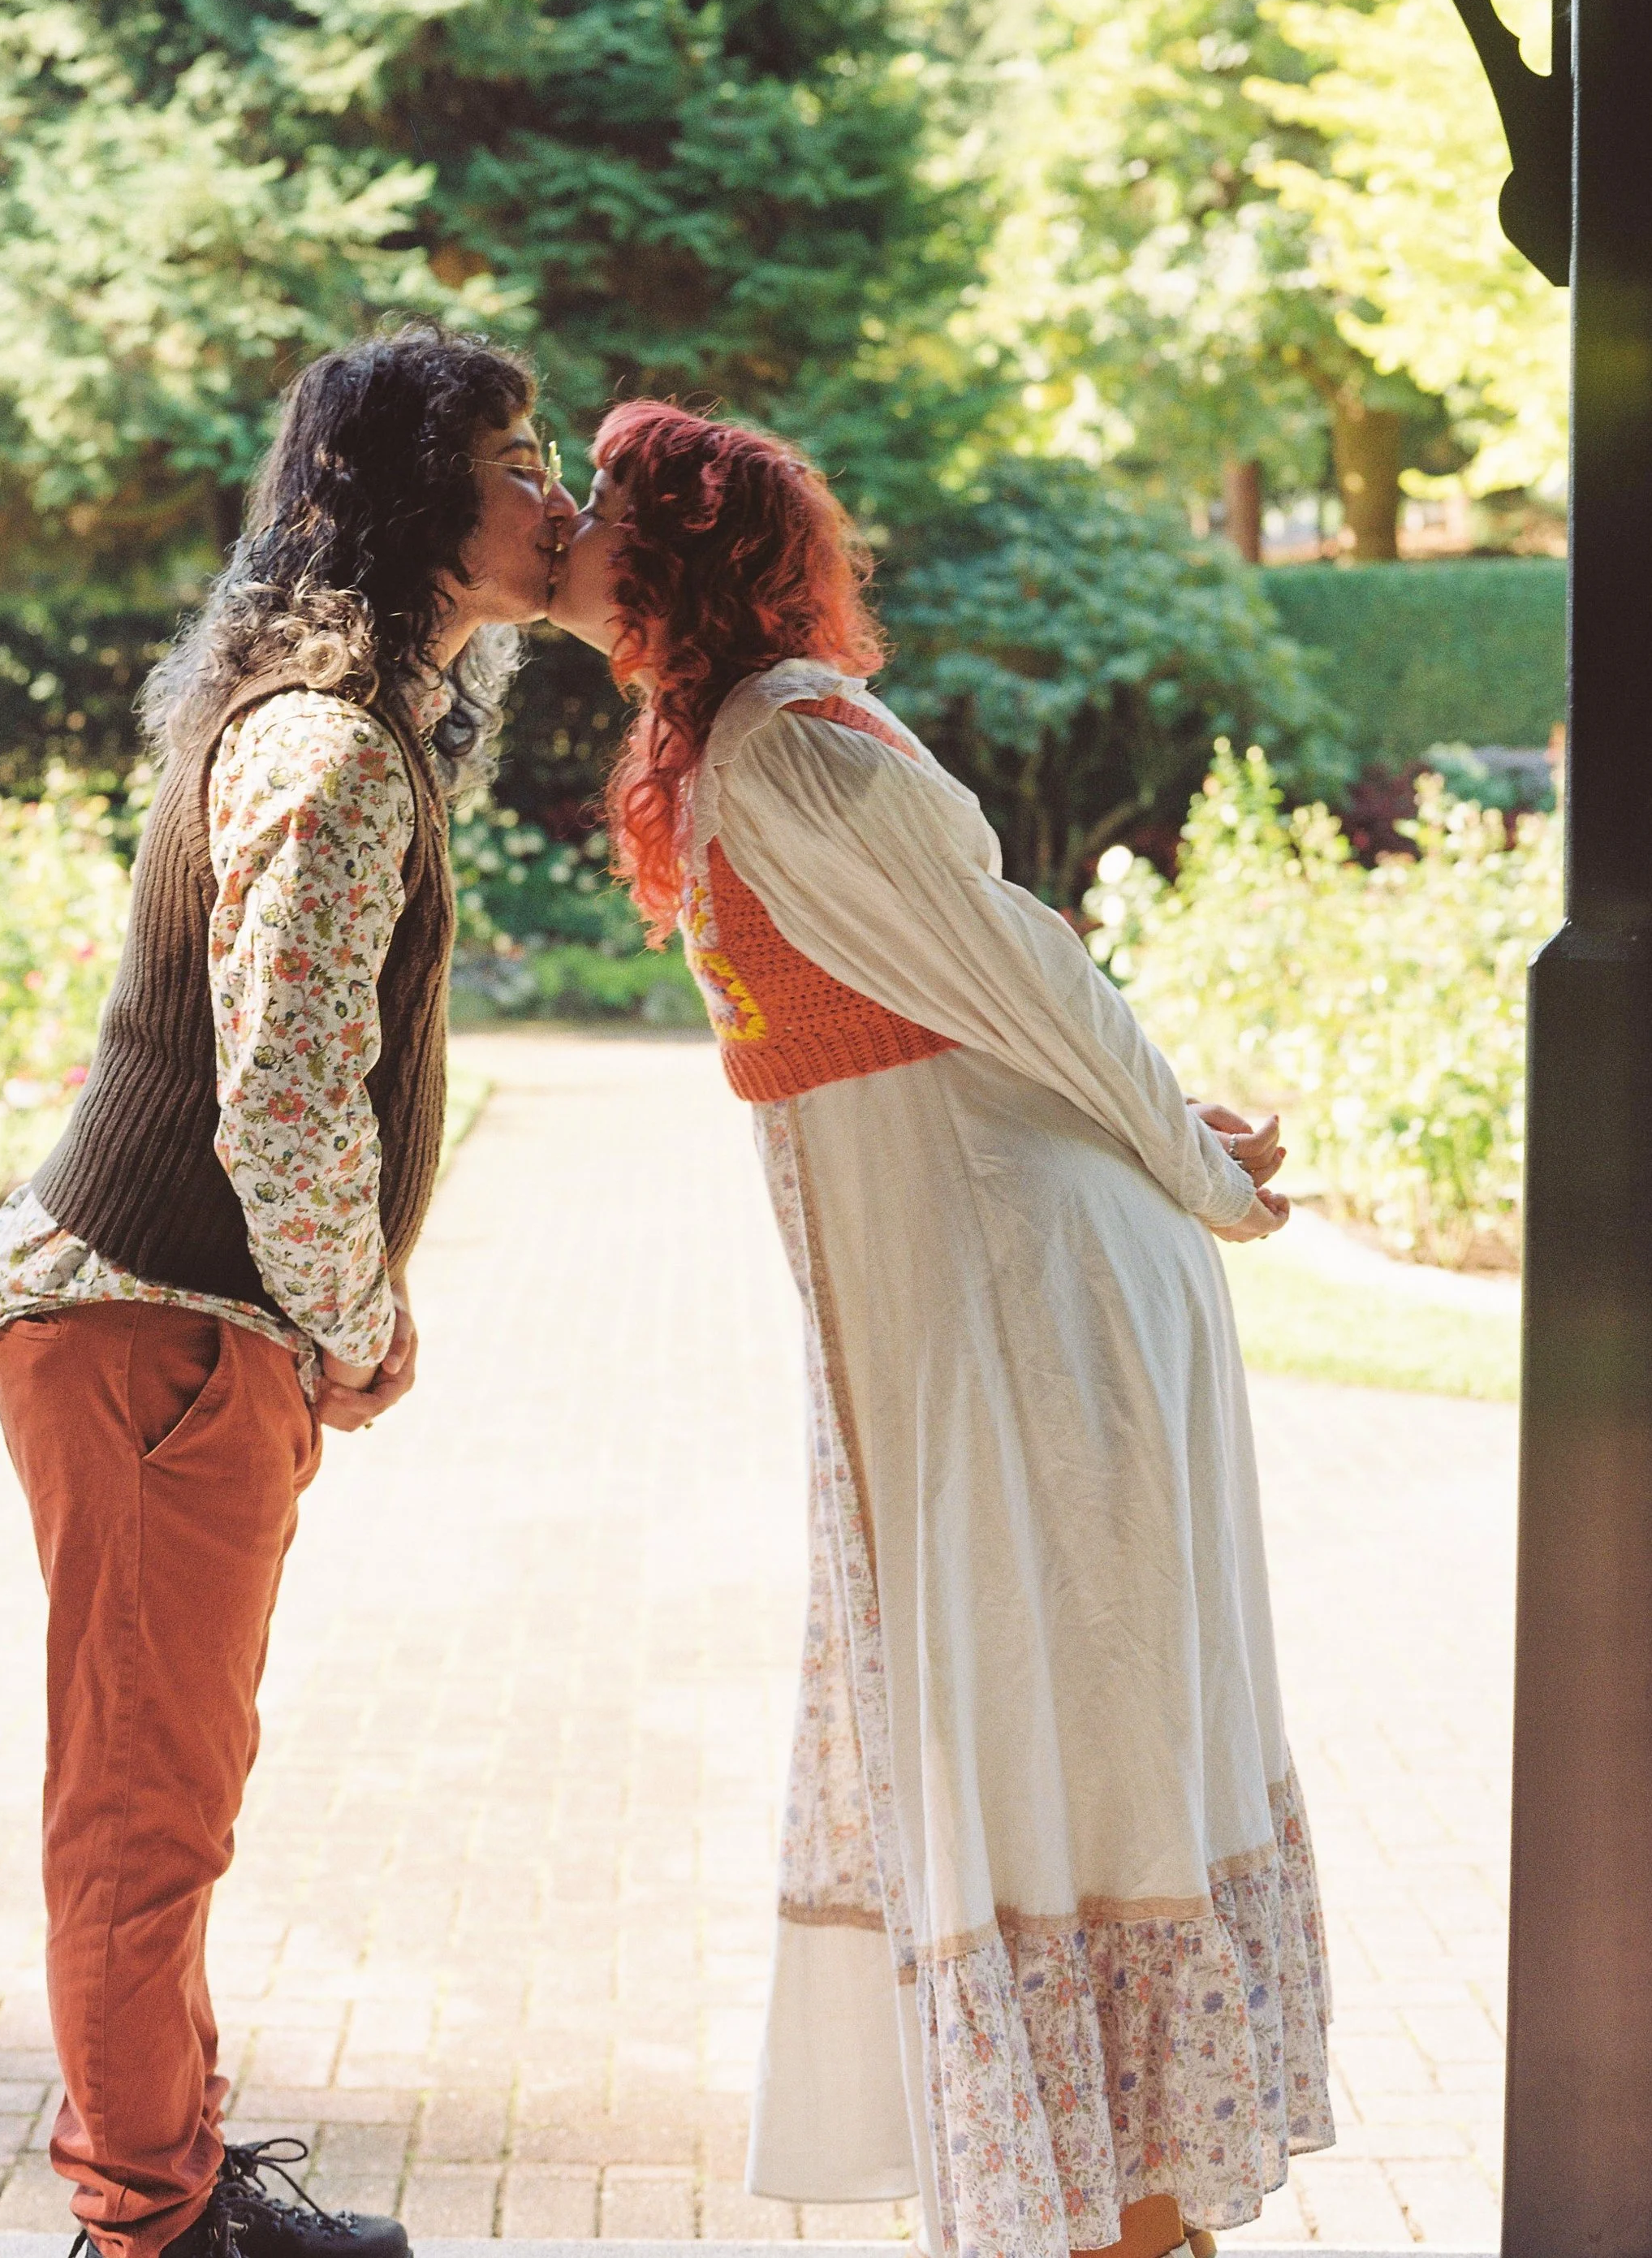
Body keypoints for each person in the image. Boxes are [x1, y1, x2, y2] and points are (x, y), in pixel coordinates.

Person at [548, 402, 1334, 2258]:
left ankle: (1135, 2224)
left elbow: (1027, 965)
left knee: (1072, 1740)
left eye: (603, 508)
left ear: (675, 555)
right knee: (1037, 1733)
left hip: (1029, 1315)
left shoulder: (796, 752)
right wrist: (1173, 1130)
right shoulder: (746, 745)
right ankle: (1115, 2217)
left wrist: (1196, 1162)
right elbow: (991, 1004)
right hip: (970, 1308)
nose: (571, 530)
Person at [0, 325, 577, 2258]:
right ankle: (144, 2224)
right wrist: (358, 1319)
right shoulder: (325, 743)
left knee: (170, 1781)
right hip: (158, 1320)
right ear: (415, 500)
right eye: (513, 456)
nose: (549, 493)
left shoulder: (350, 715)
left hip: (158, 1319)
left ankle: (169, 2180)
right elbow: (286, 1095)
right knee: (146, 1808)